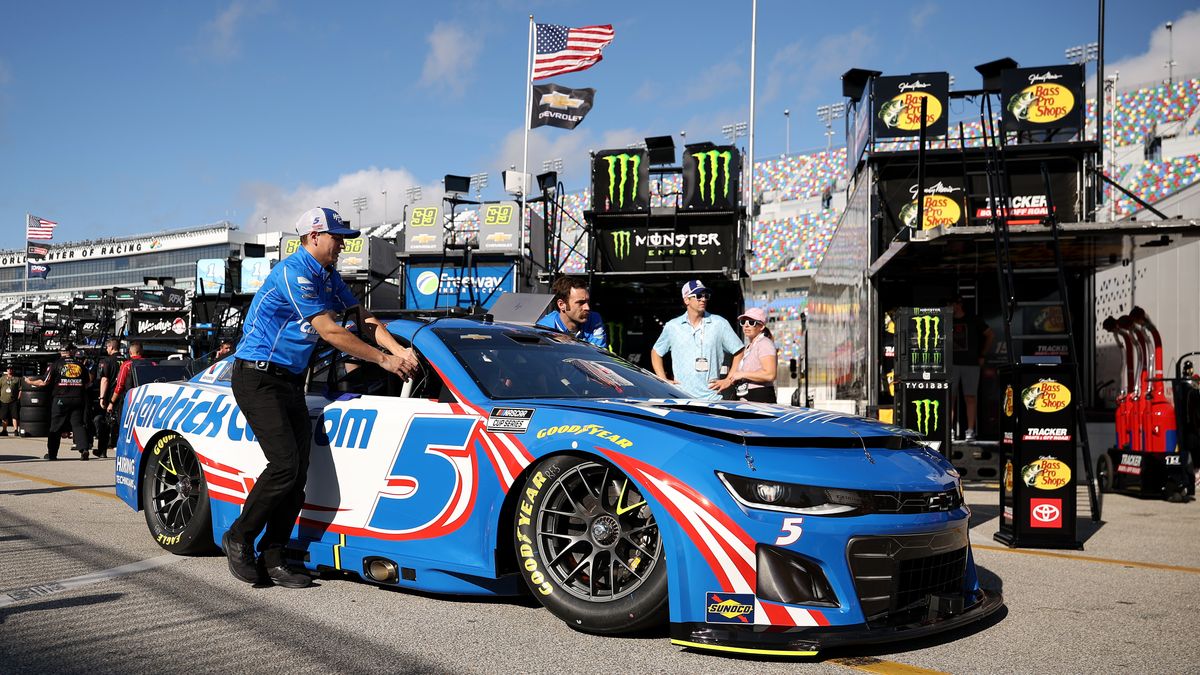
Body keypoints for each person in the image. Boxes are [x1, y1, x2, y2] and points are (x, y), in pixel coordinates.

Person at [223, 206, 418, 589]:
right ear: (314, 237)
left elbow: (363, 318)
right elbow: (331, 331)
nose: (343, 245)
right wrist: (383, 360)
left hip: (291, 380)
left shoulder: (328, 276)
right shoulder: (294, 272)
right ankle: (240, 537)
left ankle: (275, 555)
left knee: (297, 476)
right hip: (257, 377)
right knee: (285, 466)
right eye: (337, 237)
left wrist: (399, 352)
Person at [651, 280, 744, 400]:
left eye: (706, 295)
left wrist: (729, 380)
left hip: (712, 398)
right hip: (681, 397)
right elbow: (656, 352)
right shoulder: (672, 326)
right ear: (686, 300)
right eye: (698, 296)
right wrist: (663, 380)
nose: (703, 299)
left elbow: (739, 350)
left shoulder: (719, 323)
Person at [25, 343, 91, 461]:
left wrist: (30, 382)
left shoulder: (56, 364)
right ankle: (84, 449)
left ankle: (52, 454)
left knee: (56, 426)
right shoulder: (80, 365)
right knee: (78, 424)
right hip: (78, 398)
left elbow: (44, 382)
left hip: (61, 398)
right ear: (71, 352)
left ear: (61, 352)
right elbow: (88, 383)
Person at [950, 295, 995, 442]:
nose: (950, 307)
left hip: (970, 363)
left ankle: (970, 430)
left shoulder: (973, 319)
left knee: (970, 397)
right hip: (951, 364)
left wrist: (982, 354)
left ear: (959, 304)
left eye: (952, 303)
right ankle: (949, 429)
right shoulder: (946, 319)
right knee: (950, 398)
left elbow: (990, 334)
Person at [713, 307, 778, 403]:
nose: (746, 326)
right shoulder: (749, 347)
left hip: (759, 396)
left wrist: (743, 374)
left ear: (762, 326)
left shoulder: (765, 343)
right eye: (743, 322)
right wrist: (727, 381)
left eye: (752, 322)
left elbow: (770, 374)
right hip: (746, 395)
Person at [535, 275, 608, 348]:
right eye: (580, 303)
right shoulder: (544, 329)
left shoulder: (594, 318)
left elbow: (597, 354)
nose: (587, 308)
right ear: (561, 305)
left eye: (587, 302)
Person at [93, 338, 123, 458]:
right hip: (126, 395)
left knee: (106, 423)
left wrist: (101, 397)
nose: (106, 349)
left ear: (111, 347)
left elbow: (104, 379)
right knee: (121, 422)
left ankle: (102, 450)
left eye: (107, 347)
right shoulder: (126, 360)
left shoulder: (108, 361)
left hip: (112, 396)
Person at [107, 341, 147, 417]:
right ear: (141, 351)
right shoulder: (152, 364)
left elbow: (119, 386)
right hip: (147, 402)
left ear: (130, 352)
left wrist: (111, 403)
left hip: (130, 402)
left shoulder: (127, 365)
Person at [0, 365, 21, 436]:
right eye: (8, 369)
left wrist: (18, 398)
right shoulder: (2, 379)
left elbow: (20, 389)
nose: (10, 370)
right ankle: (4, 430)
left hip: (13, 400)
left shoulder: (17, 379)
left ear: (13, 370)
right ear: (7, 370)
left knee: (15, 416)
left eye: (11, 369)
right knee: (4, 416)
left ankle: (16, 430)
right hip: (3, 400)